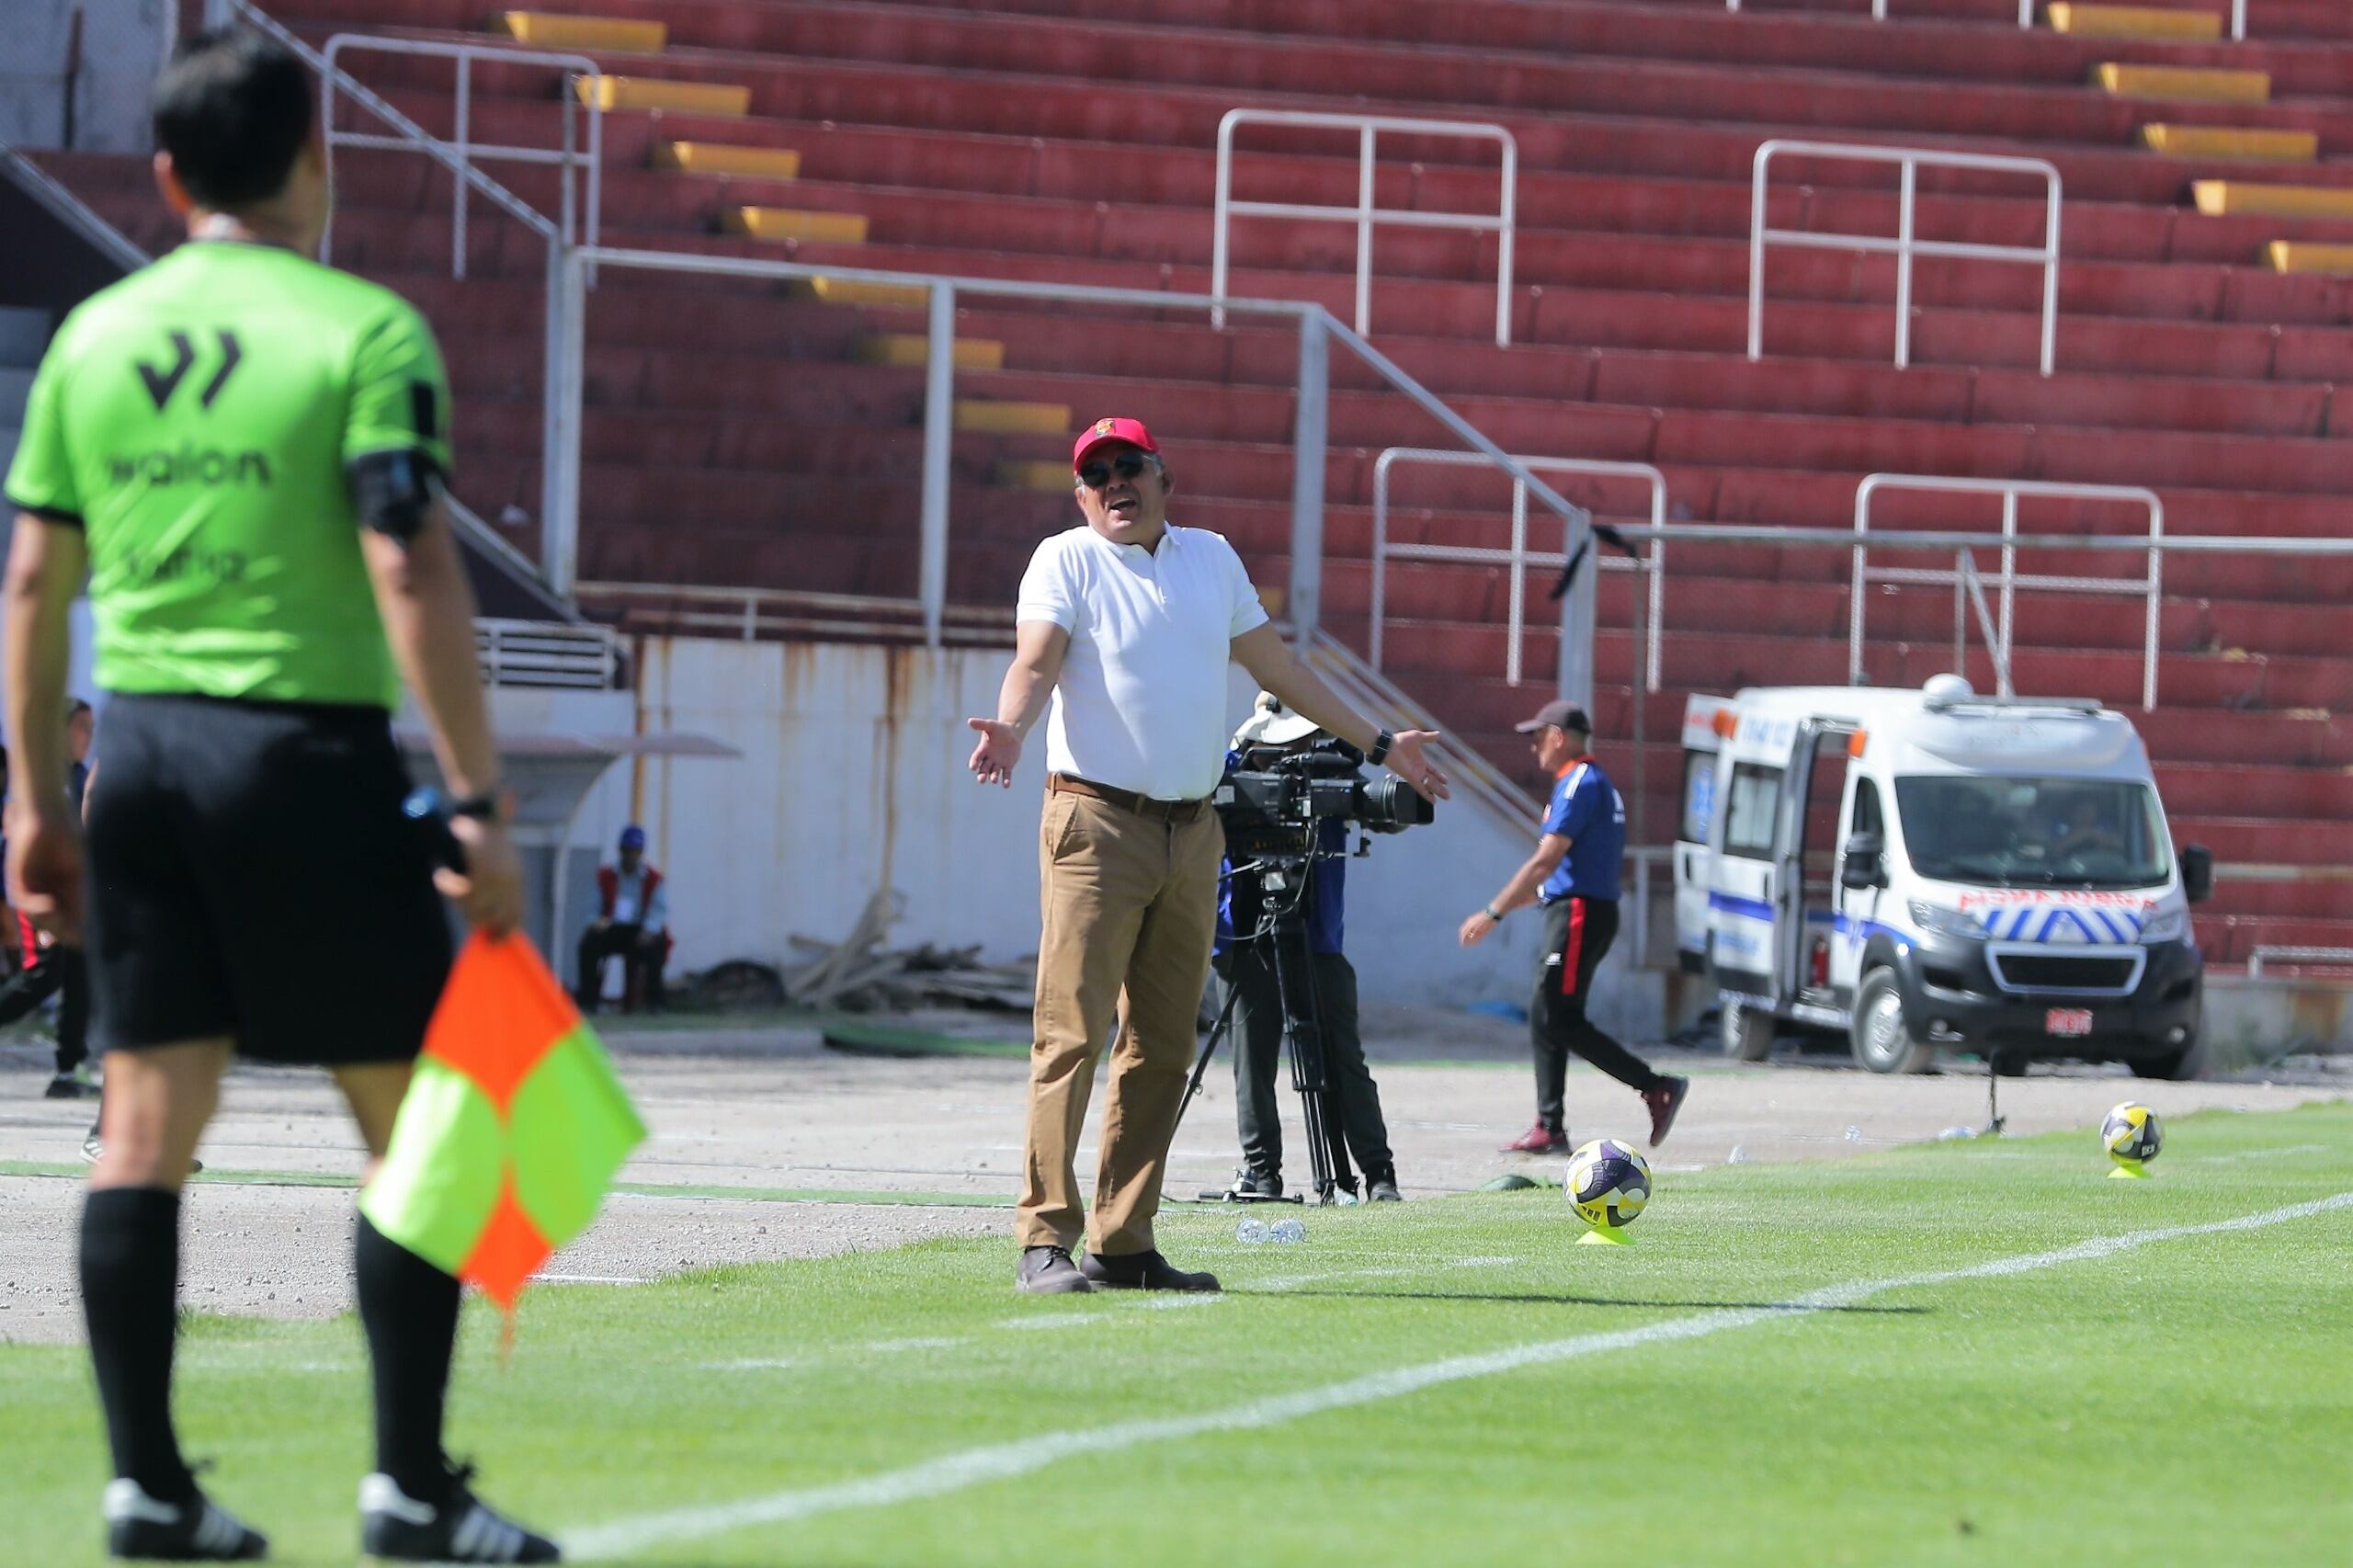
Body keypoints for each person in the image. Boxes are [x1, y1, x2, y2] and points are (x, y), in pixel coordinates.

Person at [2, 29, 553, 1562]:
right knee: (419, 1129)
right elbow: (408, 560)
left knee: (142, 1130)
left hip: (142, 764)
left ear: (169, 176)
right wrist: (477, 797)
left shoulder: (95, 338)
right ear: (319, 159)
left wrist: (38, 800)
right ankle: (410, 1488)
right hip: (305, 760)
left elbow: (35, 580)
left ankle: (148, 1488)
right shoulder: (365, 330)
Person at [968, 415, 1446, 1295]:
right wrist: (1010, 725)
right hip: (1095, 824)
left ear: (1164, 478)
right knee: (1071, 1037)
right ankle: (1044, 1240)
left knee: (1162, 1046)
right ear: (1080, 495)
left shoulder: (1212, 558)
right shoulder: (1064, 559)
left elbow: (1280, 671)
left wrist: (1381, 744)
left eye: (1129, 466)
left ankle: (1123, 1243)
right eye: (1096, 474)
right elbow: (1034, 662)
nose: (1114, 482)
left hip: (1194, 832)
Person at [1460, 699, 1687, 1154]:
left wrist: (1493, 911)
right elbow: (1565, 873)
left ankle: (1653, 1086)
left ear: (1559, 737)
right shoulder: (1584, 782)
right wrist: (1518, 903)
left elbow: (1547, 860)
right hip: (1575, 910)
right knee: (1547, 1011)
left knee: (1557, 1015)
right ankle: (1551, 1125)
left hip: (1580, 914)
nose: (1534, 749)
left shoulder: (1580, 781)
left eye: (1538, 738)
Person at [1211, 694, 1400, 1202]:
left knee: (1343, 1058)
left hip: (1316, 936)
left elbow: (1384, 811)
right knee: (1252, 1063)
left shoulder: (1332, 766)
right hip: (1243, 933)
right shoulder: (1226, 769)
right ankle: (1261, 1172)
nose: (1291, 754)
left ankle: (1378, 1175)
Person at [574, 824, 671, 1013]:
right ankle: (588, 999)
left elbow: (659, 911)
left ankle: (654, 1003)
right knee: (588, 944)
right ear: (621, 850)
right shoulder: (604, 876)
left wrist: (649, 929)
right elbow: (591, 908)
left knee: (657, 945)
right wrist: (595, 921)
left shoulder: (653, 879)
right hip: (612, 927)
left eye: (635, 851)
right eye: (627, 850)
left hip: (639, 929)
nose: (631, 856)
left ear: (641, 852)